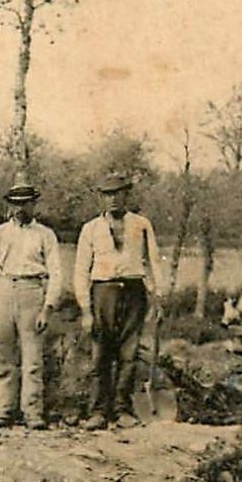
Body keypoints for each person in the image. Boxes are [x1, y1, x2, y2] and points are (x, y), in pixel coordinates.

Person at [73, 172, 166, 430]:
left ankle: (122, 410)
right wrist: (86, 309)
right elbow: (81, 270)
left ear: (127, 195)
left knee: (130, 353)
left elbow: (153, 262)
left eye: (119, 194)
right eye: (108, 195)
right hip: (102, 292)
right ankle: (98, 411)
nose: (114, 200)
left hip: (134, 292)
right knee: (100, 354)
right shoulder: (90, 229)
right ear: (101, 198)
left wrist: (158, 298)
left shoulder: (142, 225)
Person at [0, 183, 63, 430]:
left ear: (34, 204)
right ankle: (3, 410)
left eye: (26, 203)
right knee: (3, 355)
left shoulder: (45, 235)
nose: (20, 208)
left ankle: (32, 412)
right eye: (16, 203)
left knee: (33, 358)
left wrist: (48, 308)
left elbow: (56, 274)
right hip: (2, 291)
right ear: (9, 206)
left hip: (31, 292)